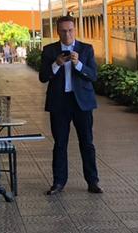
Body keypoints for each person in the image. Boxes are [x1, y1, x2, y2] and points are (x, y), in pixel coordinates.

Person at [39, 14, 100, 194]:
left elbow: (93, 76)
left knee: (87, 143)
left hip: (82, 102)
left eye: (70, 30)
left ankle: (93, 181)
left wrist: (78, 64)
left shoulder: (86, 49)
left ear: (75, 30)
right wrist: (56, 64)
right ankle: (58, 182)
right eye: (63, 31)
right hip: (59, 102)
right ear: (58, 32)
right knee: (60, 143)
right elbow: (43, 77)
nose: (67, 34)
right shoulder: (49, 50)